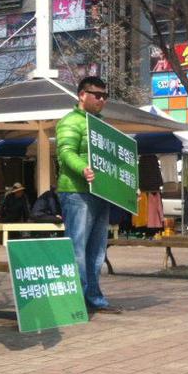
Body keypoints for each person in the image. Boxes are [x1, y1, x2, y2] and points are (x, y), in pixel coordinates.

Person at [56, 75, 123, 315]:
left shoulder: (102, 125)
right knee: (77, 247)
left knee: (96, 250)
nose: (102, 100)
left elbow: (114, 157)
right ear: (82, 95)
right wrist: (83, 169)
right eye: (97, 95)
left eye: (105, 96)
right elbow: (65, 152)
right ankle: (76, 299)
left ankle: (93, 297)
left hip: (101, 191)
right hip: (76, 192)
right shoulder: (70, 122)